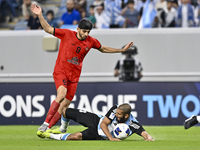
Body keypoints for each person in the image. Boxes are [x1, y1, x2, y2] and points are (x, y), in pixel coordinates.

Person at [31, 3, 133, 133]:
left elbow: (103, 49)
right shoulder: (67, 34)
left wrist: (121, 50)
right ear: (78, 29)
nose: (86, 34)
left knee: (64, 107)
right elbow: (48, 29)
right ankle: (45, 123)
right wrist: (40, 15)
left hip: (74, 76)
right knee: (61, 95)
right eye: (84, 31)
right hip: (61, 71)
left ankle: (55, 128)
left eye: (88, 32)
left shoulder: (91, 41)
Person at [37, 103, 154, 141]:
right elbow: (104, 123)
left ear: (126, 116)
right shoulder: (115, 109)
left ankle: (49, 135)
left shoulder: (132, 123)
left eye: (119, 114)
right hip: (96, 121)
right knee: (65, 111)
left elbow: (143, 132)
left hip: (100, 135)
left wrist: (148, 137)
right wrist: (112, 138)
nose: (116, 115)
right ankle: (62, 128)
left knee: (76, 136)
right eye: (116, 113)